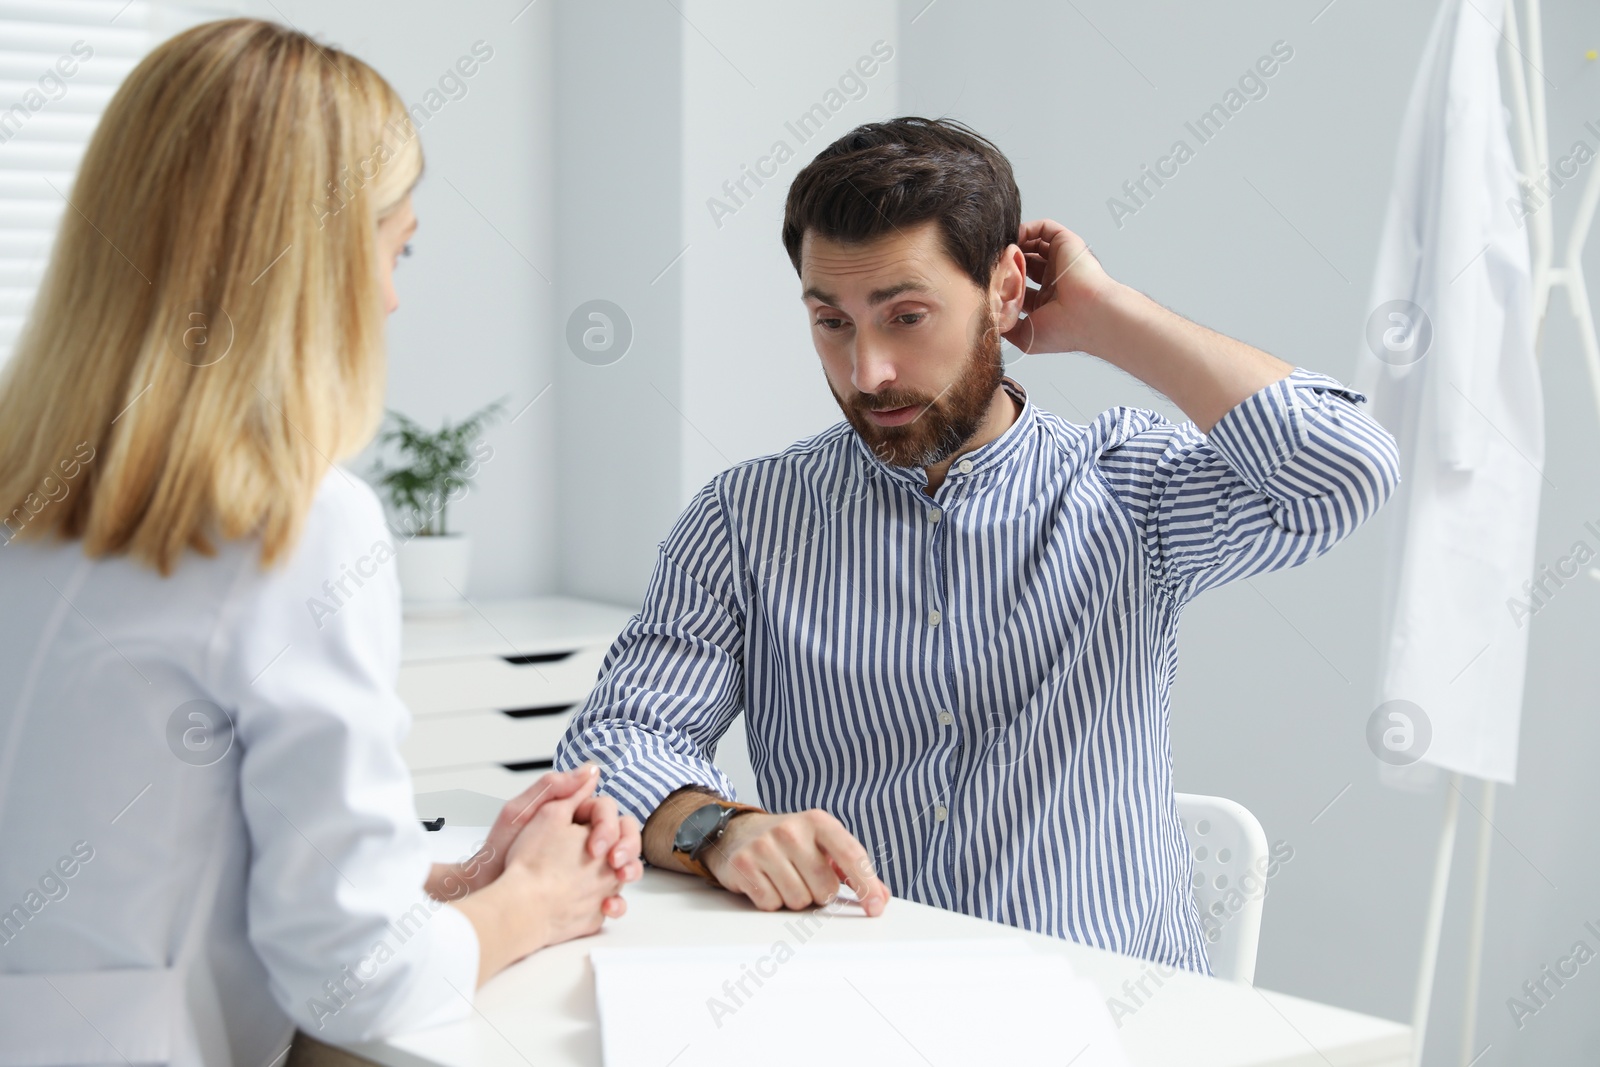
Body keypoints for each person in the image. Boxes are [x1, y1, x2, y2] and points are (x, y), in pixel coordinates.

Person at [555, 116, 1401, 973]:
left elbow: (1348, 470)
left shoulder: (1127, 486)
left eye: (907, 315)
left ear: (1004, 289)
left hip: (1101, 1018)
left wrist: (1109, 318)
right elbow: (616, 742)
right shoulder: (746, 519)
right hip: (849, 1000)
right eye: (832, 322)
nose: (868, 371)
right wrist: (719, 828)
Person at [0, 19, 640, 1067]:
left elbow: (139, 874)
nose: (392, 295)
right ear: (313, 263)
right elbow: (354, 980)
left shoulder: (31, 497)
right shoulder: (291, 524)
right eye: (397, 246)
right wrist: (534, 898)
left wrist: (442, 880)